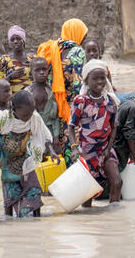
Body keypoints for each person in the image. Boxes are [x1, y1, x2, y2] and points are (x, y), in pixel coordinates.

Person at [0, 90, 58, 217]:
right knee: (10, 196)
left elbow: (45, 135)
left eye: (31, 112)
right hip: (5, 163)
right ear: (14, 110)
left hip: (24, 160)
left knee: (35, 190)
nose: (28, 117)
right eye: (24, 115)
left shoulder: (34, 118)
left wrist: (52, 151)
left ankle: (36, 219)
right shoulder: (3, 118)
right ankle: (9, 221)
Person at [68, 59, 122, 206]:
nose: (99, 81)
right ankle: (88, 221)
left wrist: (108, 149)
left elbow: (114, 128)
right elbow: (71, 126)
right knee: (87, 193)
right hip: (87, 151)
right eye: (95, 78)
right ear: (86, 80)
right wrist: (74, 148)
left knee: (117, 182)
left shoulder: (111, 101)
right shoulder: (81, 101)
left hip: (106, 149)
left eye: (102, 78)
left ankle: (114, 216)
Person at [37, 18, 89, 167]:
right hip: (70, 108)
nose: (84, 38)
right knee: (74, 148)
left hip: (52, 108)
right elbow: (79, 85)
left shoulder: (51, 48)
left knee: (56, 149)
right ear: (76, 33)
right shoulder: (77, 52)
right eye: (83, 34)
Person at [26, 57, 60, 153]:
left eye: (44, 69)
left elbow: (55, 118)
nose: (41, 72)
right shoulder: (27, 93)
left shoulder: (52, 92)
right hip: (34, 134)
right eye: (37, 70)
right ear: (31, 73)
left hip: (51, 132)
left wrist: (56, 137)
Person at [0, 25, 33, 94]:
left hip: (30, 100)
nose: (15, 41)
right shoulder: (4, 60)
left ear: (24, 40)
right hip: (11, 100)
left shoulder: (32, 59)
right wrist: (10, 77)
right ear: (9, 43)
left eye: (18, 38)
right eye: (12, 39)